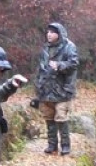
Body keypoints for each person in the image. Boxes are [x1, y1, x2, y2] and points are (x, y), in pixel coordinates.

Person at [33, 22, 79, 155]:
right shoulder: (45, 49)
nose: (49, 34)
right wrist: (38, 87)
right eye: (47, 32)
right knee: (48, 117)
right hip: (46, 89)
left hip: (63, 88)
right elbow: (40, 69)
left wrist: (59, 65)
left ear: (59, 33)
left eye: (52, 32)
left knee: (61, 117)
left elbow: (74, 63)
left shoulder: (69, 47)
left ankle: (65, 145)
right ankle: (52, 145)